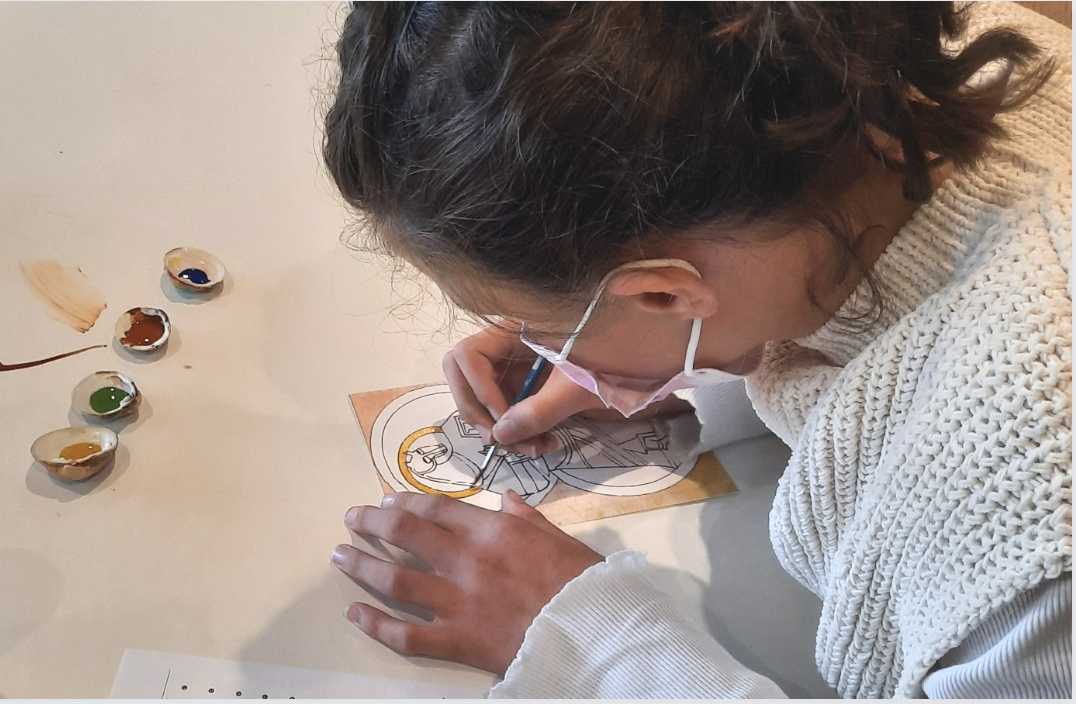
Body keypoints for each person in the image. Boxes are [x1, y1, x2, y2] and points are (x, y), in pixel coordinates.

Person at [322, 2, 1071, 698]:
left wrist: (598, 643)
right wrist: (690, 355)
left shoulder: (1035, 519)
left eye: (537, 326)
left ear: (662, 294)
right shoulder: (883, 53)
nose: (534, 351)